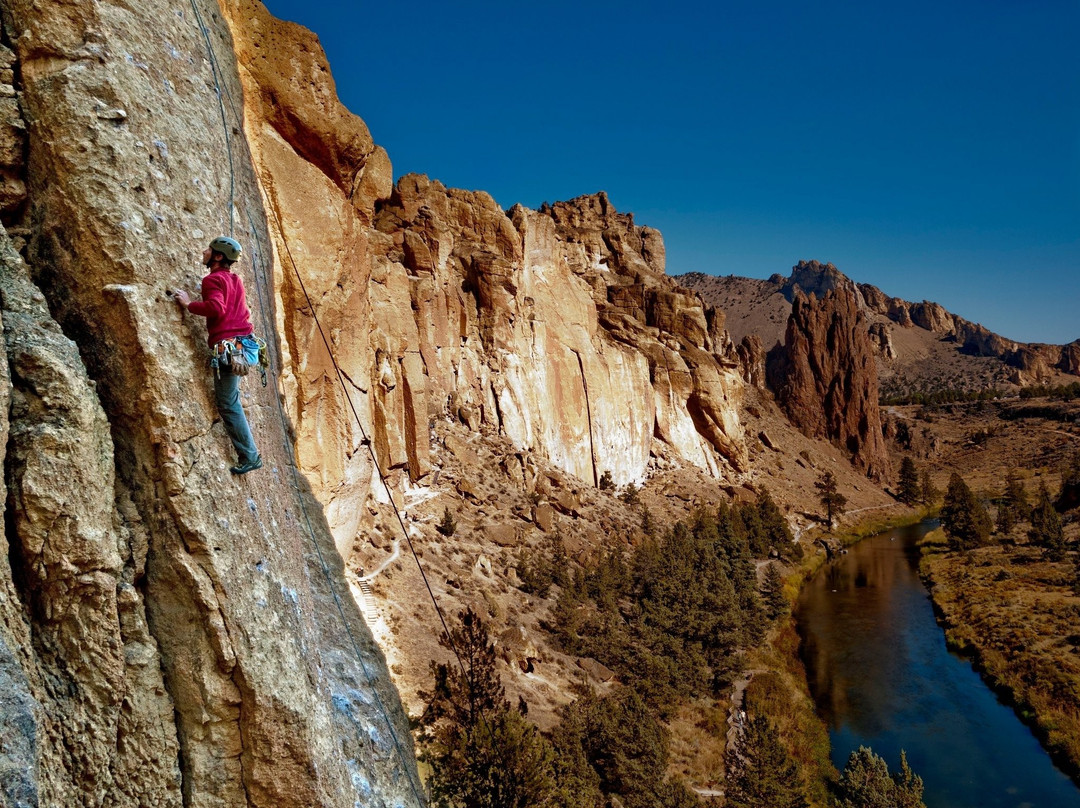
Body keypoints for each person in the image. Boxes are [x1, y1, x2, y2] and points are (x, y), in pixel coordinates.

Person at [174, 236, 263, 474]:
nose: (204, 252)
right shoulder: (235, 280)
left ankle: (250, 456)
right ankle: (250, 454)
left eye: (209, 249)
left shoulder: (212, 279)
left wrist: (188, 304)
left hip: (228, 347)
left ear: (218, 256)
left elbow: (216, 307)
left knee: (228, 402)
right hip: (242, 345)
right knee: (231, 399)